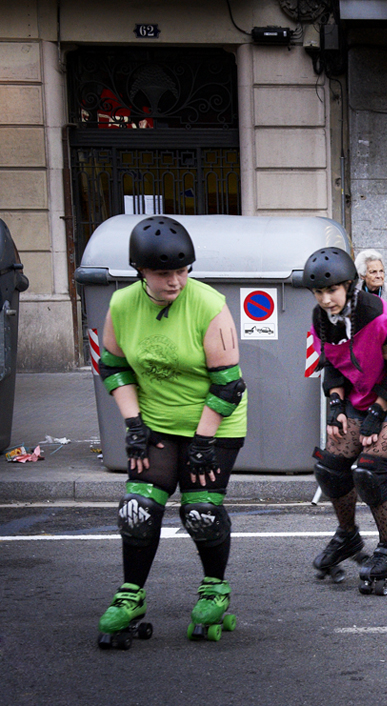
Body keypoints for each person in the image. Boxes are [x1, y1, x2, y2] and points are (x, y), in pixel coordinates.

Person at [96, 216, 248, 649]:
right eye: (165, 273)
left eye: (182, 271)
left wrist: (202, 443)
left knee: (200, 511)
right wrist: (133, 425)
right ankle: (131, 595)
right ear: (141, 271)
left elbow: (227, 384)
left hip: (215, 422)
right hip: (157, 421)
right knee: (138, 509)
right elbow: (114, 365)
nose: (176, 281)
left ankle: (214, 589)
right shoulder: (123, 305)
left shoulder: (208, 304)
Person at [304, 247, 387, 594]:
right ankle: (347, 537)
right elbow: (332, 366)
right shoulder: (320, 320)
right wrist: (335, 405)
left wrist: (375, 414)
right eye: (319, 293)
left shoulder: (378, 316)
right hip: (361, 392)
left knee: (369, 470)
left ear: (349, 285)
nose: (326, 299)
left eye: (332, 290)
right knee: (330, 466)